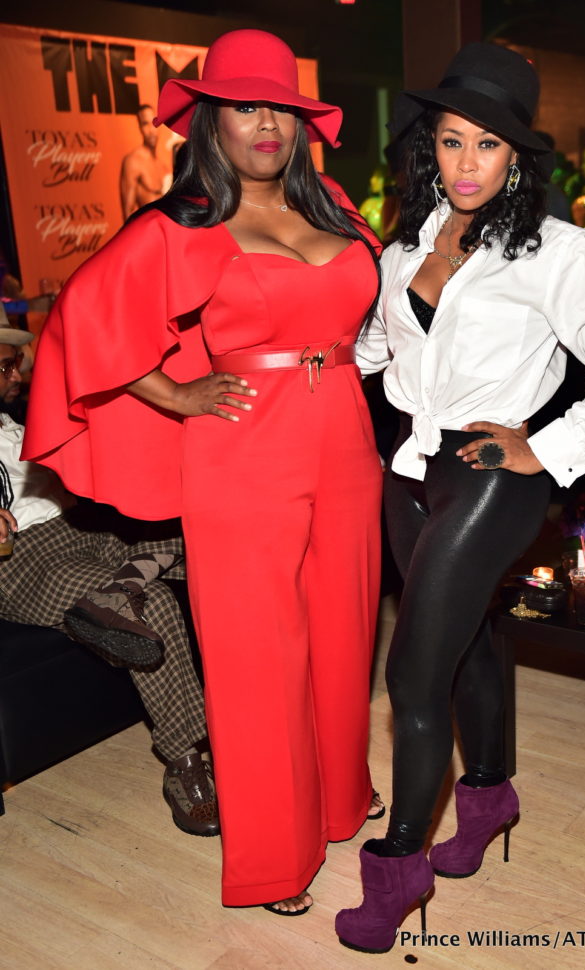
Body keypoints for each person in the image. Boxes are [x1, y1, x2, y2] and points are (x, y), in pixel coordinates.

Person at [22, 29, 384, 915]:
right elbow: (82, 320)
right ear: (211, 122)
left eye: (282, 109)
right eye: (245, 107)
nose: (267, 124)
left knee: (345, 634)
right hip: (243, 452)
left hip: (346, 444)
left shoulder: (336, 208)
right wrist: (175, 394)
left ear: (302, 125)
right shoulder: (182, 224)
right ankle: (273, 855)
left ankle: (340, 798)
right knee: (257, 655)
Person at [336, 42, 585, 953]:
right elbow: (376, 352)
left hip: (489, 472)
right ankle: (487, 800)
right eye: (451, 141)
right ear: (429, 146)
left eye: (487, 144)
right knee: (467, 640)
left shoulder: (560, 252)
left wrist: (544, 447)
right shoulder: (409, 243)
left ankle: (398, 867)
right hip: (410, 469)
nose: (467, 163)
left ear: (517, 154)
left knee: (411, 674)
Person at [0, 327, 218, 837]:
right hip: (22, 560)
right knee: (151, 601)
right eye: (6, 367)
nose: (16, 376)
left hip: (80, 526)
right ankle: (185, 762)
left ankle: (118, 593)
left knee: (207, 532)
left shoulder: (13, 421)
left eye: (16, 365)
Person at [119, 104, 173, 220]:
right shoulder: (133, 161)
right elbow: (127, 213)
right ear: (139, 127)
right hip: (148, 228)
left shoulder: (163, 166)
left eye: (154, 123)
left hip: (166, 229)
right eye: (145, 124)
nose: (151, 130)